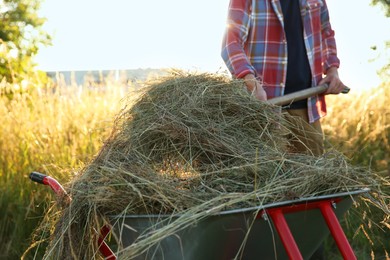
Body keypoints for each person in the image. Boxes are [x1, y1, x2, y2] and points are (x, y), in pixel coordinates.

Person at [221, 0, 346, 157]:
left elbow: (326, 32)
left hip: (307, 108)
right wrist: (252, 84)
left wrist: (332, 69)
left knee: (312, 176)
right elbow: (231, 43)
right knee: (262, 175)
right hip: (264, 112)